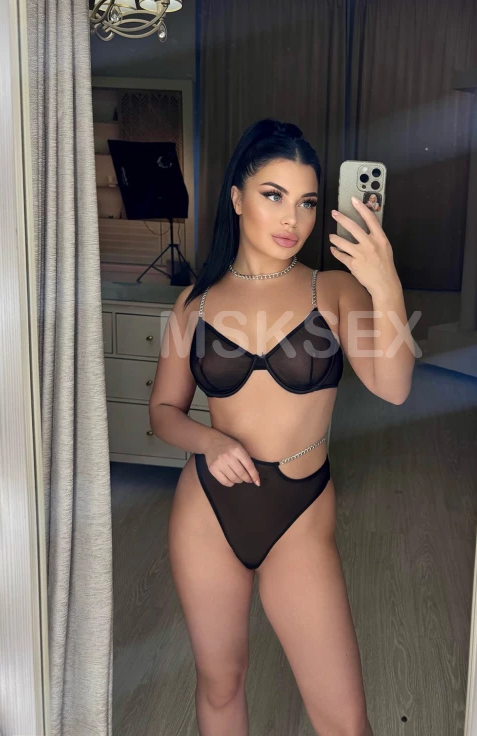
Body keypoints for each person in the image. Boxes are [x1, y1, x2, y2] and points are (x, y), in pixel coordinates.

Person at [149, 119, 414, 736]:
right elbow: (163, 413)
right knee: (221, 685)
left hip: (300, 511)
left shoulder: (335, 291)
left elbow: (394, 386)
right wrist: (210, 440)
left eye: (307, 202)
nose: (292, 218)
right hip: (208, 510)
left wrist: (384, 282)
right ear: (237, 198)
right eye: (274, 195)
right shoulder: (194, 303)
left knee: (345, 722)